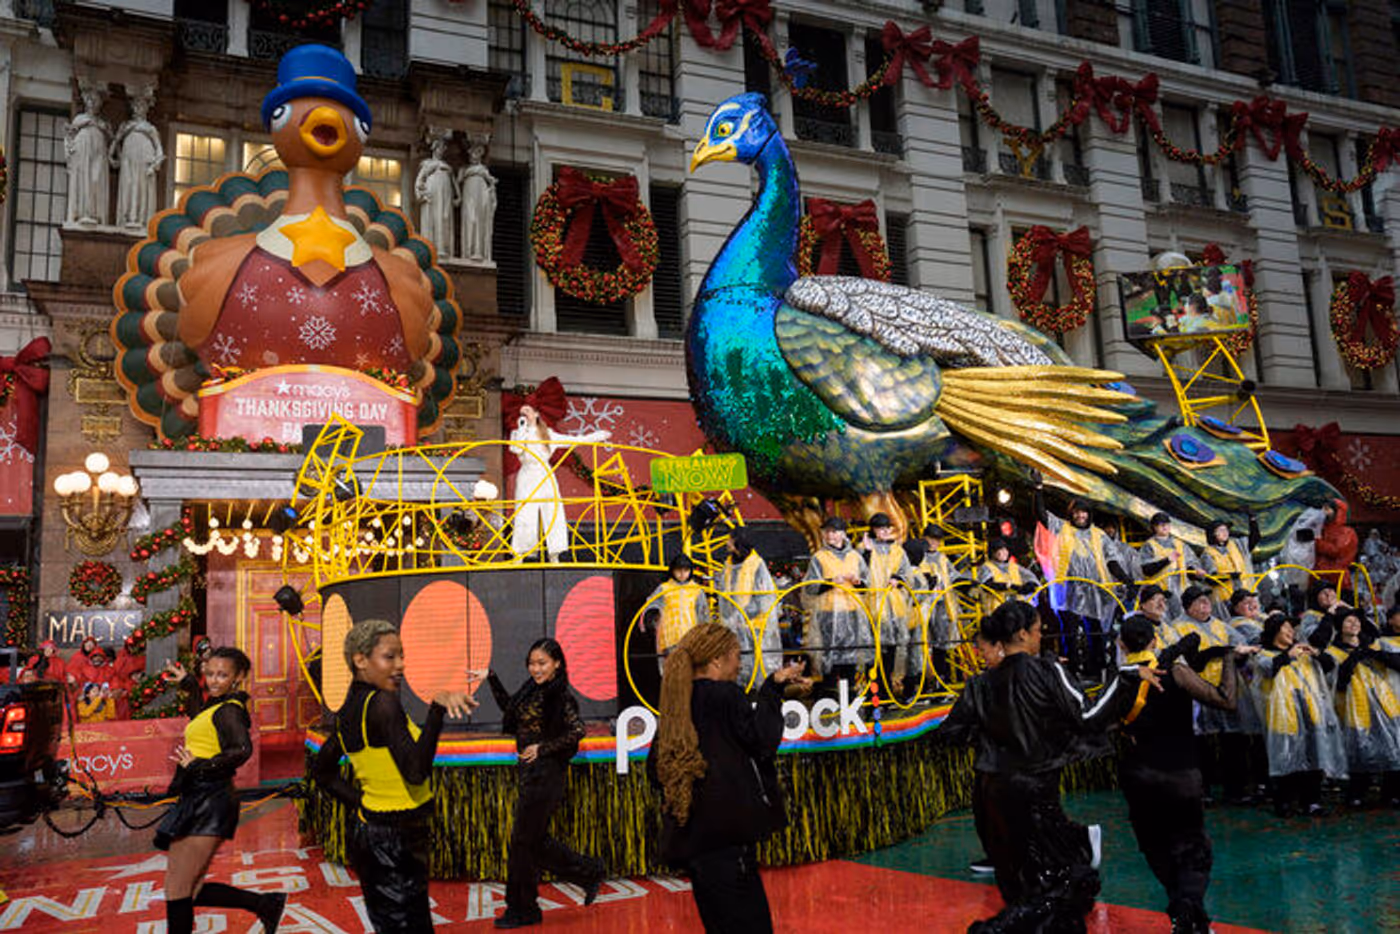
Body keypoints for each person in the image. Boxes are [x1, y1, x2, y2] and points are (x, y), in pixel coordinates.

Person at [938, 601, 1156, 933]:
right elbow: (1089, 716)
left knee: (1017, 877)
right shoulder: (1046, 670)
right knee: (1060, 882)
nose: (1042, 637)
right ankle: (997, 930)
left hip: (992, 791)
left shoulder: (979, 685)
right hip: (1035, 789)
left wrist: (993, 736)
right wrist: (1125, 678)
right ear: (1023, 633)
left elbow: (949, 734)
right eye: (1038, 630)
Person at [313, 618, 478, 932]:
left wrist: (365, 804)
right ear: (360, 660)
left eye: (402, 656)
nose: (400, 665)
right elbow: (415, 772)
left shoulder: (350, 709)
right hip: (392, 839)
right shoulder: (381, 704)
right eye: (390, 657)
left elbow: (323, 773)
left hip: (380, 833)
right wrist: (437, 709)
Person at [648, 623, 808, 933]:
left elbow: (657, 769)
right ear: (717, 661)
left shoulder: (677, 702)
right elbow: (762, 741)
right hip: (727, 841)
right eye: (736, 656)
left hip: (695, 841)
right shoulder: (726, 696)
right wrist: (772, 692)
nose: (739, 665)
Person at [1117, 615, 1247, 934]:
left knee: (1155, 846)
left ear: (1121, 645)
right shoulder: (1175, 671)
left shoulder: (1120, 677)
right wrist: (1229, 658)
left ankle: (1188, 918)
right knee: (1192, 848)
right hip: (1179, 773)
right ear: (1154, 640)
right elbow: (1226, 700)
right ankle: (1189, 910)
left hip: (1137, 775)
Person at [154, 647, 285, 934]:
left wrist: (201, 765)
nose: (214, 680)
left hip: (210, 801)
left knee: (177, 888)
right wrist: (189, 683)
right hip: (200, 797)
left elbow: (241, 749)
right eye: (210, 673)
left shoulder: (229, 711)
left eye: (222, 675)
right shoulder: (216, 706)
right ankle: (266, 904)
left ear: (238, 677)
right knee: (191, 888)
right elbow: (199, 716)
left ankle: (267, 904)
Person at [485, 639, 605, 928]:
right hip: (530, 774)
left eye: (542, 663)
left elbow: (577, 730)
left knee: (522, 843)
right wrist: (490, 678)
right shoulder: (532, 691)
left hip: (547, 774)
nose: (535, 668)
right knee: (532, 842)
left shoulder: (559, 696)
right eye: (532, 663)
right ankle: (588, 871)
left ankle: (523, 909)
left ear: (557, 664)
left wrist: (542, 747)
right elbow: (511, 711)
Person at [1252, 613, 1347, 816]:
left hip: (1311, 713)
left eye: (1291, 628)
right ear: (1274, 631)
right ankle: (1284, 802)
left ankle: (1311, 801)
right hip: (1283, 717)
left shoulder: (1303, 652)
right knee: (1285, 758)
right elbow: (1267, 670)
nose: (1291, 632)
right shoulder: (1264, 654)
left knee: (1313, 755)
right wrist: (1288, 656)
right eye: (1286, 628)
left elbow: (1330, 665)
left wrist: (1316, 653)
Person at [1038, 496, 1133, 680]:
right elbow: (1042, 516)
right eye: (1077, 512)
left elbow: (1112, 560)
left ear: (1089, 514)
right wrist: (1038, 491)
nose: (1080, 515)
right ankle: (1071, 672)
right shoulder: (1062, 528)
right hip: (1069, 590)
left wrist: (1125, 578)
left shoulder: (1099, 535)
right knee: (1070, 633)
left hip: (1096, 592)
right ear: (1071, 514)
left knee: (1096, 632)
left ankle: (1096, 670)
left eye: (1084, 512)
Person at [508, 403, 611, 560]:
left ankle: (554, 553)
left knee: (552, 511)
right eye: (522, 413)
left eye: (527, 411)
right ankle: (520, 554)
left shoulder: (548, 434)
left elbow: (574, 440)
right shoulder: (517, 433)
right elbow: (516, 449)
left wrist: (596, 437)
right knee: (524, 513)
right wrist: (522, 429)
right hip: (527, 474)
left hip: (545, 474)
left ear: (536, 414)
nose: (524, 415)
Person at [1322, 608, 1400, 808]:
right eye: (1348, 622)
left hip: (1384, 703)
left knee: (1391, 747)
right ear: (1339, 627)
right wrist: (1354, 657)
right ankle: (1356, 793)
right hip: (1354, 707)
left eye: (1356, 621)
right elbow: (1339, 681)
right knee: (1358, 749)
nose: (1354, 625)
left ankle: (1391, 793)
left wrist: (1372, 653)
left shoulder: (1374, 644)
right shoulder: (1333, 652)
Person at [802, 517, 870, 690]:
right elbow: (810, 587)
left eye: (834, 531)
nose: (829, 535)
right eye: (827, 531)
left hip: (852, 612)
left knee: (851, 659)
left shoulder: (855, 557)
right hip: (828, 614)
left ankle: (850, 699)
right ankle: (829, 700)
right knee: (829, 660)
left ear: (843, 534)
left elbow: (867, 584)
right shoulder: (819, 557)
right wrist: (831, 581)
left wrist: (858, 582)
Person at [715, 529, 783, 684]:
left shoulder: (757, 565)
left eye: (730, 540)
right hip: (735, 627)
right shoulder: (728, 565)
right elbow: (724, 595)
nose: (727, 543)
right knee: (738, 666)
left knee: (758, 667)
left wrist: (743, 616)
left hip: (755, 626)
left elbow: (764, 598)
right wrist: (730, 619)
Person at [860, 513, 913, 693]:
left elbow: (906, 573)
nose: (883, 531)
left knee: (891, 651)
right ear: (873, 530)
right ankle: (873, 694)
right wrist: (866, 552)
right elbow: (860, 573)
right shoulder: (864, 548)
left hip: (894, 608)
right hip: (873, 608)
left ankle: (886, 692)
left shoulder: (897, 550)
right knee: (874, 654)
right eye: (879, 528)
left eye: (886, 528)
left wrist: (898, 578)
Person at [640, 554, 711, 673]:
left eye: (686, 570)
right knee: (671, 675)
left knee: (690, 673)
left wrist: (705, 636)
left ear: (690, 571)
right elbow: (651, 606)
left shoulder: (697, 591)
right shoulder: (664, 588)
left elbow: (703, 615)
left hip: (691, 640)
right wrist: (651, 619)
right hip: (668, 639)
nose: (682, 574)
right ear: (672, 570)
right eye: (679, 570)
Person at [916, 524, 967, 685]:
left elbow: (953, 576)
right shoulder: (917, 556)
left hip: (941, 606)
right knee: (920, 645)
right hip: (921, 606)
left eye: (937, 540)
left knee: (941, 646)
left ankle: (940, 680)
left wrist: (965, 583)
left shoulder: (942, 558)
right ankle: (921, 683)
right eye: (931, 539)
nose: (934, 543)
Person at [1139, 513, 1202, 618]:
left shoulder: (1180, 544)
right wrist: (1167, 560)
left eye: (1166, 524)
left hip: (1182, 591)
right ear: (1154, 527)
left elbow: (1190, 563)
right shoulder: (1149, 546)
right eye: (1160, 524)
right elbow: (1146, 569)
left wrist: (1196, 571)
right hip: (1161, 593)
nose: (1164, 526)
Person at [1199, 519, 1257, 619]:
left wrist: (1252, 521)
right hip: (1225, 600)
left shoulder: (1236, 546)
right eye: (1221, 530)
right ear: (1213, 534)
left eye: (1226, 530)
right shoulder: (1208, 554)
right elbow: (1210, 579)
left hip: (1243, 597)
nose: (1225, 533)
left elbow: (1254, 539)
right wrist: (1229, 576)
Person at [976, 538, 1038, 617]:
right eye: (999, 550)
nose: (1003, 552)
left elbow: (1031, 577)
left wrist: (1030, 585)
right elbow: (987, 585)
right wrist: (1010, 587)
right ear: (992, 553)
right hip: (996, 612)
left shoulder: (1014, 567)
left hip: (1018, 610)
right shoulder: (986, 567)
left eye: (1005, 549)